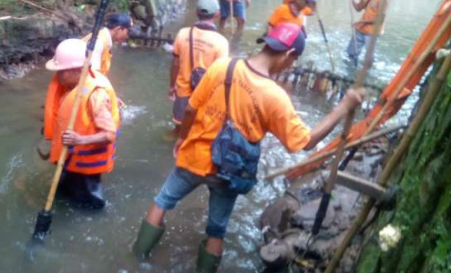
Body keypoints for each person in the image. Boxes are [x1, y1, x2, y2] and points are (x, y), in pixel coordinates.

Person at [133, 23, 365, 273]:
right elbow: (304, 141)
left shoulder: (222, 66)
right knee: (216, 230)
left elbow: (190, 109)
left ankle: (137, 258)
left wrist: (183, 139)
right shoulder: (274, 97)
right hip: (228, 171)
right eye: (293, 60)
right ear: (288, 55)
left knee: (162, 201)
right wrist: (343, 108)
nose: (291, 66)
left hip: (194, 157)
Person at [42, 39, 121, 209]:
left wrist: (79, 140)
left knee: (89, 204)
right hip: (71, 158)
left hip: (85, 162)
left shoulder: (95, 95)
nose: (58, 76)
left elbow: (109, 134)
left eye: (61, 71)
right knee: (61, 193)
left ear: (78, 69)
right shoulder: (73, 85)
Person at [169, 0, 229, 135]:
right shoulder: (221, 42)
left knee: (179, 128)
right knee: (200, 130)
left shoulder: (182, 34)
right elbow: (221, 74)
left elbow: (175, 63)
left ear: (196, 12)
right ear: (217, 14)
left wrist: (172, 86)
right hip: (206, 95)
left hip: (183, 91)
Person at [346, 0, 385, 65]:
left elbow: (380, 20)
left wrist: (362, 22)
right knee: (351, 54)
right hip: (360, 29)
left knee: (368, 61)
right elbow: (358, 8)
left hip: (372, 33)